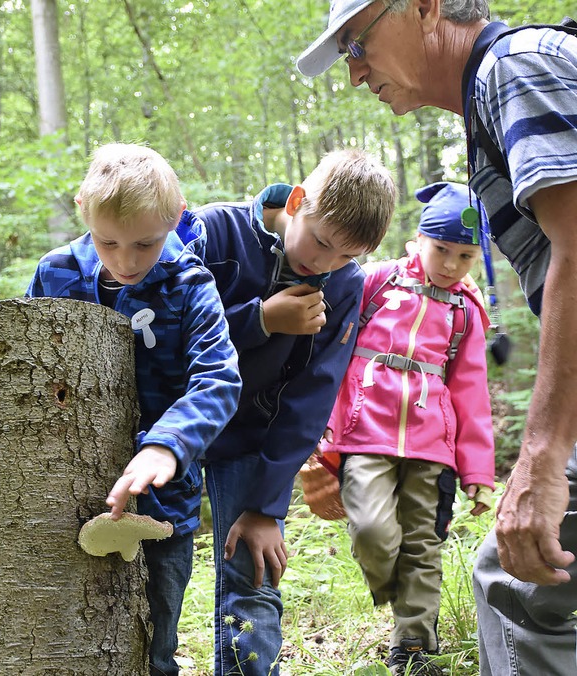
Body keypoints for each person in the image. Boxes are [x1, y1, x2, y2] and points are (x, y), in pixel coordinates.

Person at [297, 1, 577, 674]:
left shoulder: (514, 68)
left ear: (424, 7)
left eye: (357, 44)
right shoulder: (497, 100)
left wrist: (538, 456)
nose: (355, 73)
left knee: (522, 581)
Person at [26, 143, 242, 676]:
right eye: (108, 242)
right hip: (68, 491)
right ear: (83, 210)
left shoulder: (190, 285)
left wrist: (167, 446)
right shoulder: (55, 275)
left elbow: (218, 378)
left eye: (146, 243)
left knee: (155, 633)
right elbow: (24, 367)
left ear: (175, 217)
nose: (126, 261)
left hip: (165, 500)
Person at [195, 148, 396, 675]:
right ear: (298, 200)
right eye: (322, 242)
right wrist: (260, 320)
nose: (323, 263)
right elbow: (172, 334)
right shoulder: (216, 231)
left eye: (344, 256)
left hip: (253, 443)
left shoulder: (345, 284)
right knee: (151, 574)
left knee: (252, 576)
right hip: (171, 428)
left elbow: (316, 390)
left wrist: (268, 505)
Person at [318, 181, 495, 675]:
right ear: (418, 238)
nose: (451, 265)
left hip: (432, 443)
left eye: (465, 256)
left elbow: (472, 394)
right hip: (363, 429)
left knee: (423, 540)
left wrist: (477, 470)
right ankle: (398, 592)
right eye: (441, 249)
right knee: (374, 529)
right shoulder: (375, 282)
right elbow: (333, 352)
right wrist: (325, 429)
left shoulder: (465, 312)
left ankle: (414, 646)